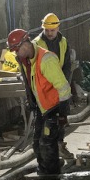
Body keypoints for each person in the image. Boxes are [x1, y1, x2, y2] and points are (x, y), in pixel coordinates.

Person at [8, 29, 71, 180]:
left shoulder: (46, 60)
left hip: (54, 108)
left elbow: (64, 88)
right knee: (36, 144)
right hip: (42, 109)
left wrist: (62, 114)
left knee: (47, 144)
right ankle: (44, 175)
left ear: (26, 43)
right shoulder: (26, 59)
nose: (17, 54)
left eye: (17, 49)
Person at [34, 13, 75, 160]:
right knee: (46, 121)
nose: (50, 33)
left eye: (52, 30)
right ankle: (46, 151)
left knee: (62, 118)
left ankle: (59, 144)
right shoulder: (37, 43)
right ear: (43, 28)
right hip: (45, 87)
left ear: (58, 28)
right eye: (47, 30)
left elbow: (67, 65)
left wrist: (64, 83)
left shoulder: (63, 41)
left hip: (59, 86)